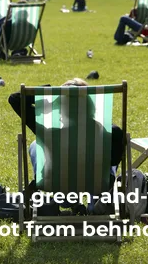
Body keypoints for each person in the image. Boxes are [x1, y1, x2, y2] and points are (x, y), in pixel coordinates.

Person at [8, 77, 125, 215]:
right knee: (107, 156)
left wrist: (52, 93)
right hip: (99, 183)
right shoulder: (112, 133)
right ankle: (99, 202)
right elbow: (115, 160)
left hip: (58, 183)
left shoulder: (50, 134)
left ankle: (70, 201)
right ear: (90, 103)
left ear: (60, 107)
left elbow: (15, 99)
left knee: (36, 145)